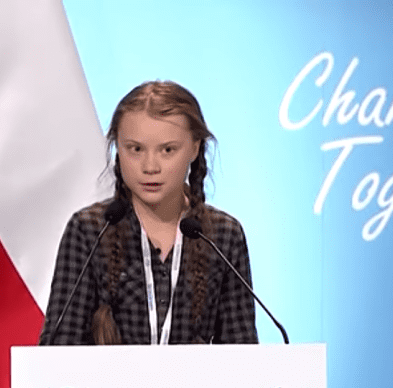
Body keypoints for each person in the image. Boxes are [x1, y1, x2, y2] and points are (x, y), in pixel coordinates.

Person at [39, 80, 257, 345]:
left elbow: (243, 353)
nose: (150, 166)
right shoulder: (89, 230)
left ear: (194, 148)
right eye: (136, 149)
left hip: (198, 387)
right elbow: (59, 348)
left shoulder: (223, 235)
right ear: (118, 148)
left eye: (167, 150)